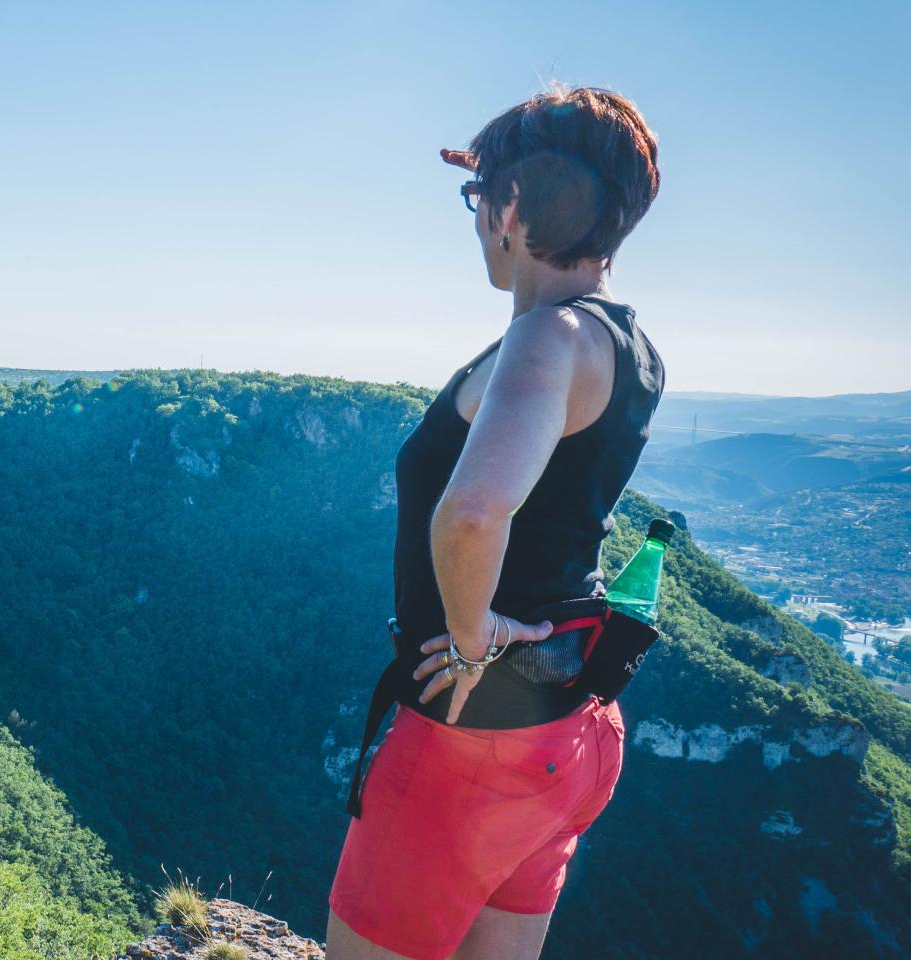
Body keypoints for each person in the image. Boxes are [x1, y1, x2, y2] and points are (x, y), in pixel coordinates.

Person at [326, 86, 666, 960]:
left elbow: (475, 513)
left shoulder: (547, 338)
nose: (477, 217)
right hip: (570, 730)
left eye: (479, 197)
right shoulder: (630, 346)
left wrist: (471, 639)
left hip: (472, 746)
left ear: (511, 207)